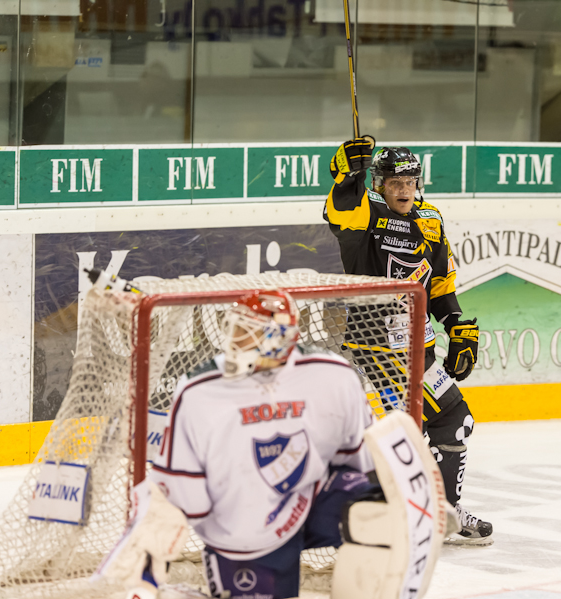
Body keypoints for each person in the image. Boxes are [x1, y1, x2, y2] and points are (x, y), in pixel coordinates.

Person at [94, 290, 451, 599]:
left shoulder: (333, 375)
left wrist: (408, 501)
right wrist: (153, 544)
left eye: (246, 333)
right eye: (233, 330)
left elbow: (360, 460)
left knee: (385, 512)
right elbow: (179, 494)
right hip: (244, 528)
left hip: (312, 498)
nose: (234, 342)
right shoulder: (199, 392)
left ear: (279, 339)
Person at [322, 138, 493, 545]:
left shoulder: (431, 219)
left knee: (455, 422)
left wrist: (456, 325)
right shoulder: (366, 216)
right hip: (373, 349)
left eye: (410, 181)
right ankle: (396, 515)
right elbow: (340, 212)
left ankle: (445, 513)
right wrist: (349, 176)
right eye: (394, 181)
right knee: (404, 436)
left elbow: (440, 285)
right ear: (379, 184)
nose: (403, 189)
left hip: (418, 349)